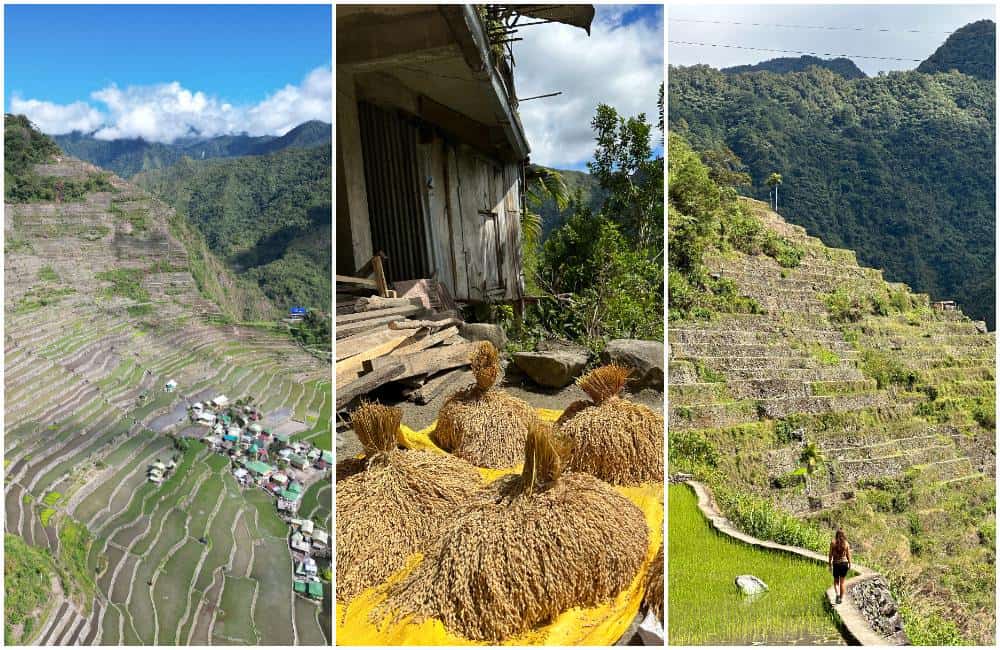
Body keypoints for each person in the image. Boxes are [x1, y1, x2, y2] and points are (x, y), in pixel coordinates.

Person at [828, 528, 851, 604]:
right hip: (844, 564)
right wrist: (850, 564)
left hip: (836, 564)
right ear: (843, 535)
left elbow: (830, 554)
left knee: (836, 582)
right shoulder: (846, 543)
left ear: (836, 534)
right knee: (842, 583)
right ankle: (840, 599)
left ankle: (837, 595)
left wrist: (829, 564)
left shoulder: (833, 543)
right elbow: (848, 555)